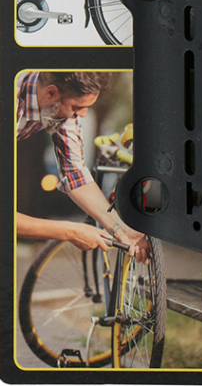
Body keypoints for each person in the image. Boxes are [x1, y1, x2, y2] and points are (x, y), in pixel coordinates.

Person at [16, 70, 149, 262]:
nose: (83, 114)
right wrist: (70, 231)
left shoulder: (61, 112)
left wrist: (123, 231)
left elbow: (76, 177)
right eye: (77, 107)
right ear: (51, 93)